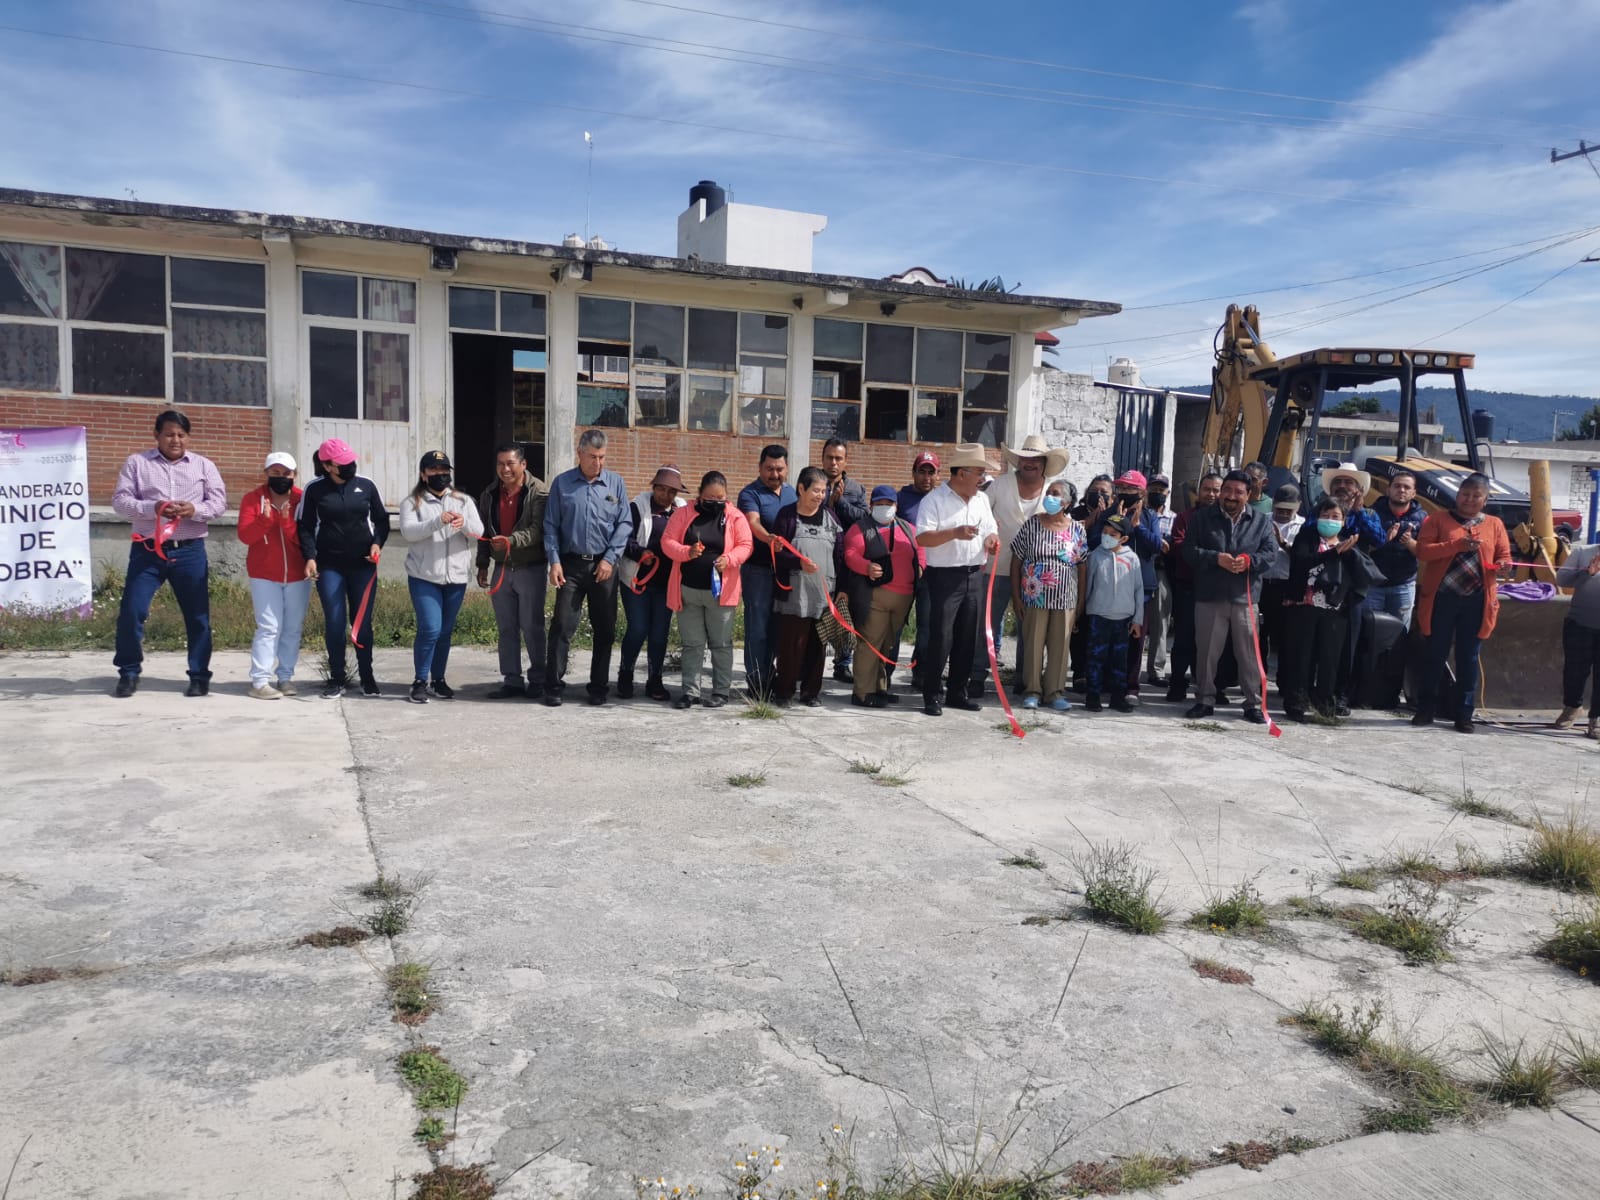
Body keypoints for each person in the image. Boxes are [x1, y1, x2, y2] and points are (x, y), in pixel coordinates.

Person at [110, 410, 227, 698]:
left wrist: (194, 510)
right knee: (132, 612)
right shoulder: (137, 464)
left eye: (181, 434)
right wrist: (153, 507)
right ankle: (128, 672)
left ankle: (199, 676)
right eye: (169, 434)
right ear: (157, 436)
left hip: (189, 552)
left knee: (198, 617)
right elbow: (120, 502)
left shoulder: (204, 466)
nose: (176, 440)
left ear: (188, 437)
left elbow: (219, 503)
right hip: (147, 551)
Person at [1411, 473, 1511, 733]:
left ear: (1485, 499)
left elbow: (1504, 556)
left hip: (1477, 601)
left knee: (1469, 658)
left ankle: (1464, 714)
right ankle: (1425, 708)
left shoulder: (1495, 524)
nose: (1469, 500)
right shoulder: (1436, 520)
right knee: (1435, 655)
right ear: (1457, 495)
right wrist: (1457, 545)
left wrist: (1503, 565)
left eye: (1476, 496)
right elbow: (1423, 552)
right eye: (1465, 494)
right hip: (1442, 598)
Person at [542, 428, 632, 706]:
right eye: (592, 456)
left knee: (605, 629)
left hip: (604, 567)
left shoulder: (615, 484)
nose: (598, 463)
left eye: (602, 457)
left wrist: (609, 559)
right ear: (579, 453)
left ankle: (598, 688)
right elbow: (550, 525)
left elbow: (624, 524)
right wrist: (554, 561)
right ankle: (554, 686)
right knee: (562, 627)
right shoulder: (562, 484)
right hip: (570, 566)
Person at [1182, 469, 1279, 723]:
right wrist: (1216, 559)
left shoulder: (1260, 521)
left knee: (1248, 655)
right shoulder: (1203, 518)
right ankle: (1204, 699)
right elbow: (1189, 551)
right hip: (1210, 596)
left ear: (1249, 495)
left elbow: (1271, 554)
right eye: (1227, 490)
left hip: (1244, 598)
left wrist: (1249, 561)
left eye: (1238, 492)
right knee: (1206, 653)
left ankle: (1252, 704)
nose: (1231, 496)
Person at [298, 438, 389, 699]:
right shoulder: (314, 490)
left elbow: (381, 521)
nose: (350, 466)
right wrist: (310, 556)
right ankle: (337, 678)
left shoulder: (367, 486)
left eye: (351, 461)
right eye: (343, 464)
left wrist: (377, 544)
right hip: (330, 567)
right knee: (335, 623)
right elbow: (304, 526)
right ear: (327, 466)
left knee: (362, 625)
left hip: (363, 565)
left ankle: (367, 677)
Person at [915, 443, 1001, 717]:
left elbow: (990, 530)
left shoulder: (981, 500)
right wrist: (953, 533)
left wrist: (992, 540)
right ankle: (932, 694)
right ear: (961, 473)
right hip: (944, 576)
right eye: (979, 473)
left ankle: (957, 692)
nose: (982, 479)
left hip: (974, 574)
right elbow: (923, 538)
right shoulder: (934, 500)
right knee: (941, 636)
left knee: (967, 638)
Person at [978, 435, 1066, 695]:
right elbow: (983, 517)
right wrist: (989, 534)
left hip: (1036, 576)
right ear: (1019, 460)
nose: (1030, 463)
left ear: (1044, 464)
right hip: (997, 566)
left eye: (1036, 459)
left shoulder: (1053, 491)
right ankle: (978, 672)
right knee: (987, 624)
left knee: (1031, 629)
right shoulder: (999, 486)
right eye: (1026, 458)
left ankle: (1026, 678)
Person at [661, 471, 753, 709]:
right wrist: (686, 552)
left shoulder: (735, 517)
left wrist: (730, 558)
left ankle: (721, 691)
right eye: (710, 498)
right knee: (692, 643)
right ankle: (690, 692)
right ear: (700, 494)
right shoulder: (684, 514)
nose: (715, 502)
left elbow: (746, 545)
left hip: (721, 593)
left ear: (727, 496)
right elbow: (667, 541)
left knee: (721, 643)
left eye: (720, 498)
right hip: (688, 591)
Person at [399, 451, 484, 704]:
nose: (440, 475)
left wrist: (463, 524)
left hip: (455, 577)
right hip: (424, 576)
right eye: (434, 471)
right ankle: (419, 681)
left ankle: (438, 680)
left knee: (445, 631)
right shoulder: (412, 502)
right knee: (430, 628)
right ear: (423, 474)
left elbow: (478, 531)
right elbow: (409, 533)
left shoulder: (463, 500)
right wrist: (437, 521)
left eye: (444, 470)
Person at [475, 442, 549, 700]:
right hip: (502, 568)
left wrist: (512, 540)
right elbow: (484, 532)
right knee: (506, 628)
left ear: (523, 464)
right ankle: (512, 680)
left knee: (532, 626)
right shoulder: (489, 494)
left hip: (531, 567)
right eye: (500, 464)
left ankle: (539, 679)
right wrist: (483, 564)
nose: (505, 469)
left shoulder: (538, 492)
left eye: (510, 463)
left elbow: (540, 529)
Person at [843, 485, 925, 707]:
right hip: (874, 597)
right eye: (879, 504)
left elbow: (922, 550)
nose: (884, 508)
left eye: (889, 504)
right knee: (870, 643)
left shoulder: (908, 528)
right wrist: (866, 566)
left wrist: (921, 566)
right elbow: (850, 553)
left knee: (886, 645)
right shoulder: (861, 528)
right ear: (871, 505)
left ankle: (879, 687)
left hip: (904, 598)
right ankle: (862, 692)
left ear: (896, 506)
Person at [1281, 498, 1363, 722]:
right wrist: (1333, 553)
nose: (1330, 520)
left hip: (1334, 610)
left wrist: (1346, 554)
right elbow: (1301, 562)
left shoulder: (1348, 543)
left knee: (1330, 659)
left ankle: (1325, 703)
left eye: (1335, 517)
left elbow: (1358, 575)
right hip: (1304, 606)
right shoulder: (1306, 538)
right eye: (1326, 515)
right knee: (1301, 657)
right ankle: (1297, 703)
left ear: (1344, 521)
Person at [1009, 478, 1086, 711]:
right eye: (1049, 492)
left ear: (1067, 502)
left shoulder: (1077, 529)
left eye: (1056, 494)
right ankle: (1032, 690)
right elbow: (1016, 562)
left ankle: (1054, 693)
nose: (1049, 497)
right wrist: (1016, 596)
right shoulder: (1032, 524)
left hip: (1065, 599)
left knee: (1060, 647)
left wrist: (1080, 603)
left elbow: (1082, 568)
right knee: (1033, 644)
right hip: (1034, 596)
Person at [237, 450, 309, 699]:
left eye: (286, 473)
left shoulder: (302, 499)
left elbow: (306, 539)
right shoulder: (253, 499)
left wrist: (287, 522)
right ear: (266, 473)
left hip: (298, 574)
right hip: (263, 573)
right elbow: (245, 535)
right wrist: (265, 521)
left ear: (294, 475)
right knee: (269, 627)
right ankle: (259, 681)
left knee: (292, 627)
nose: (280, 477)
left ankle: (286, 678)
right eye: (275, 472)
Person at [770, 466, 843, 706]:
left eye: (823, 491)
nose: (820, 496)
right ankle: (784, 692)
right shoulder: (786, 517)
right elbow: (776, 554)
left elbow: (839, 555)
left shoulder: (831, 518)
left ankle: (811, 693)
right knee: (791, 646)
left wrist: (841, 589)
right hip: (794, 594)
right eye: (815, 490)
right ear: (801, 489)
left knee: (817, 645)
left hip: (823, 595)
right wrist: (798, 563)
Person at [1087, 470, 1161, 702]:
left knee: (1133, 643)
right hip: (1105, 592)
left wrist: (1137, 527)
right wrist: (1115, 523)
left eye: (1131, 490)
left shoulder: (1149, 516)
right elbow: (1093, 543)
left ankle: (1129, 688)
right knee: (1101, 646)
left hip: (1140, 587)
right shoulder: (1108, 513)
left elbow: (1156, 546)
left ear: (1141, 492)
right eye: (1122, 489)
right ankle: (1100, 689)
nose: (1125, 493)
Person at [618, 464, 686, 700]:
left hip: (667, 583)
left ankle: (655, 679)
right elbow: (622, 539)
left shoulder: (682, 510)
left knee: (660, 633)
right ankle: (625, 674)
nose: (666, 495)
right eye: (662, 489)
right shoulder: (637, 507)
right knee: (638, 629)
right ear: (654, 487)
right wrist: (640, 553)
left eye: (671, 492)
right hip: (637, 579)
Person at [737, 444, 797, 696]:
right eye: (769, 469)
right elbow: (753, 523)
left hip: (784, 572)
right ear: (760, 468)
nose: (775, 474)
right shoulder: (750, 493)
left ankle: (769, 675)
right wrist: (768, 538)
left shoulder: (793, 492)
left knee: (777, 628)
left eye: (779, 469)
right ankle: (755, 682)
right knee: (757, 628)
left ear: (787, 468)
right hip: (758, 571)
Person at [1164, 472, 1222, 702]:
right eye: (1206, 489)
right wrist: (1211, 556)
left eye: (1216, 490)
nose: (1211, 494)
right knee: (1184, 638)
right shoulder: (1184, 518)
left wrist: (1200, 552)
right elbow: (1179, 547)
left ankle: (1208, 686)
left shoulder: (1224, 520)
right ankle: (1177, 684)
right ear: (1199, 491)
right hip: (1188, 586)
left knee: (1212, 641)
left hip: (1215, 588)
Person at [1082, 513, 1143, 713]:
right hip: (1098, 616)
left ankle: (1118, 697)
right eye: (1104, 532)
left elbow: (1138, 589)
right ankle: (1093, 696)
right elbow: (1087, 586)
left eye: (1113, 534)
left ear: (1123, 538)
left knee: (1119, 660)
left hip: (1123, 618)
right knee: (1095, 658)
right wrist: (1082, 612)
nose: (1106, 536)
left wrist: (1137, 619)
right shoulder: (1095, 556)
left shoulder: (1132, 558)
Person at [820, 438, 868, 682]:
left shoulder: (856, 489)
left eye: (838, 458)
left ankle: (843, 663)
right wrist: (827, 503)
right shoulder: (812, 482)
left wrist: (841, 502)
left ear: (845, 461)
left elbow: (863, 518)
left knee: (845, 610)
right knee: (819, 610)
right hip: (819, 557)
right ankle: (812, 662)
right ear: (822, 459)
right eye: (829, 457)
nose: (834, 462)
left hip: (846, 560)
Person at [897, 450, 941, 691]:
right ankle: (884, 672)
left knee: (926, 625)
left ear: (938, 475)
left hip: (931, 572)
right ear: (913, 473)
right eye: (921, 471)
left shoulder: (943, 499)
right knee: (894, 625)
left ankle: (920, 672)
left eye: (930, 472)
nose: (926, 477)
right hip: (902, 572)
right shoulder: (901, 499)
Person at [1364, 471, 1425, 627]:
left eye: (1407, 487)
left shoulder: (1423, 518)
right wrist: (1382, 541)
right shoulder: (1371, 513)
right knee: (1368, 632)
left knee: (1399, 635)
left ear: (1414, 493)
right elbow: (1361, 549)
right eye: (1397, 486)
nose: (1402, 490)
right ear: (1388, 489)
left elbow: (1427, 553)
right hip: (1373, 586)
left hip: (1403, 586)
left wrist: (1410, 543)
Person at [1554, 539, 1600, 739]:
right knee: (1574, 670)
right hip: (1579, 623)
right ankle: (1572, 707)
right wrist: (1585, 573)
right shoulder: (1583, 552)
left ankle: (1596, 718)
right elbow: (1561, 580)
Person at [1259, 483, 1305, 675]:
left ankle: (1284, 680)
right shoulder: (1262, 521)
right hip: (1263, 585)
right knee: (1259, 634)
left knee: (1287, 635)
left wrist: (1283, 544)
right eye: (1279, 510)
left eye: (1288, 511)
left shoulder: (1304, 526)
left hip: (1287, 587)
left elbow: (1304, 557)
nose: (1283, 514)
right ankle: (1257, 676)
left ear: (1298, 507)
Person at [1144, 473, 1174, 687]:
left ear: (1168, 493)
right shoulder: (1140, 515)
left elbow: (1171, 547)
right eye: (1153, 489)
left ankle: (1156, 670)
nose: (1157, 493)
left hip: (1161, 570)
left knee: (1160, 620)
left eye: (1161, 490)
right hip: (1139, 568)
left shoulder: (1173, 519)